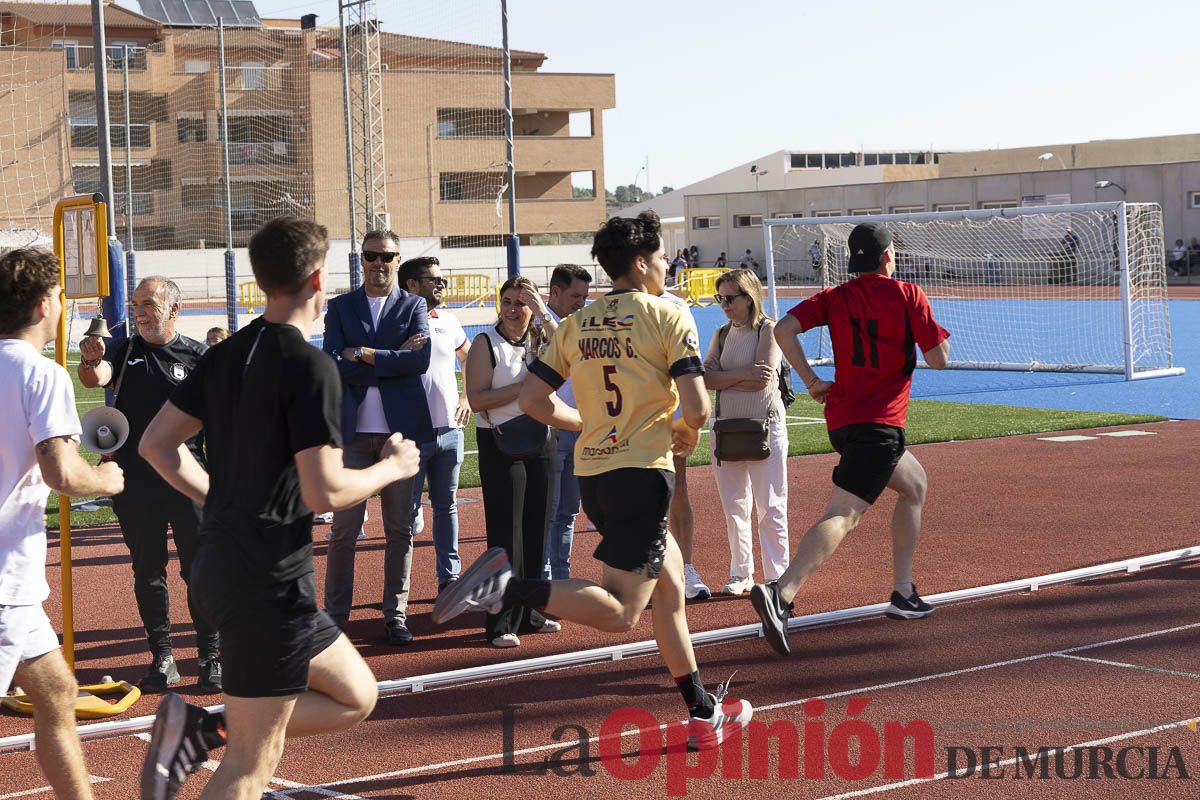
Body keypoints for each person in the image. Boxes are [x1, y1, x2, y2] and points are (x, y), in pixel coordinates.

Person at [436, 211, 753, 749]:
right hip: (643, 476)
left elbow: (534, 402)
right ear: (639, 263)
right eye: (659, 260)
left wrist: (586, 424)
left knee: (670, 590)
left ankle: (702, 712)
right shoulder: (667, 316)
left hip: (595, 472)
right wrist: (683, 428)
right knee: (624, 611)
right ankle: (504, 586)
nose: (665, 268)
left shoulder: (575, 325)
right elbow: (698, 407)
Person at [138, 217, 420, 800]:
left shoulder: (225, 355)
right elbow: (324, 492)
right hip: (265, 582)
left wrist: (219, 498)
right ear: (318, 279)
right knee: (249, 764)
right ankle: (218, 732)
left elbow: (155, 444)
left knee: (355, 695)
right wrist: (394, 467)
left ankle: (202, 725)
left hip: (231, 568)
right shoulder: (308, 366)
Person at [750, 222, 950, 657]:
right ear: (887, 256)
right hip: (879, 424)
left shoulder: (836, 297)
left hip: (843, 419)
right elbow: (938, 361)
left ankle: (903, 591)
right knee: (843, 515)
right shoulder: (907, 294)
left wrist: (810, 380)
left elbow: (782, 329)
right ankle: (781, 592)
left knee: (914, 485)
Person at [1, 247, 124, 800]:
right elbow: (62, 472)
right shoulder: (41, 374)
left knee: (56, 691)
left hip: (17, 586)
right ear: (46, 303)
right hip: (4, 577)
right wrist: (107, 479)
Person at [78, 277, 220, 693]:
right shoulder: (121, 350)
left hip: (189, 481)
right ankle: (163, 657)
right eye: (136, 303)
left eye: (149, 303)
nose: (139, 310)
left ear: (174, 309)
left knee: (200, 572)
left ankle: (210, 656)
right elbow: (97, 376)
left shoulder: (198, 357)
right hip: (135, 484)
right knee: (148, 573)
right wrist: (89, 361)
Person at [321, 230, 433, 645]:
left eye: (386, 256)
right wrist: (390, 356)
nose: (378, 262)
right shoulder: (340, 307)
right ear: (361, 259)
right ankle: (334, 617)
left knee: (399, 530)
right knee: (344, 532)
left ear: (398, 259)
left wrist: (363, 352)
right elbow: (333, 362)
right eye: (371, 255)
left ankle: (395, 615)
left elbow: (419, 360)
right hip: (350, 437)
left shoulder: (414, 304)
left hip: (399, 440)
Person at [463, 276, 561, 647]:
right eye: (506, 301)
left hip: (541, 439)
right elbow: (477, 399)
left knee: (537, 531)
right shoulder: (485, 343)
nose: (512, 309)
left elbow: (571, 346)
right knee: (506, 536)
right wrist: (527, 388)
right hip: (500, 443)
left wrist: (541, 309)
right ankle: (500, 622)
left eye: (521, 302)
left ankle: (530, 614)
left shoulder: (539, 337)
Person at [704, 269, 789, 596]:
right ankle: (740, 574)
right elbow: (706, 379)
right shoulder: (721, 334)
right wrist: (739, 375)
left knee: (771, 506)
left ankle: (778, 577)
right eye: (720, 298)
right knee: (734, 508)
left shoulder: (770, 330)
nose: (724, 305)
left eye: (730, 298)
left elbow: (762, 379)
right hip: (725, 430)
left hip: (765, 428)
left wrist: (724, 376)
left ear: (749, 297)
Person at [397, 256, 469, 593]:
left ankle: (449, 578)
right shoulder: (395, 321)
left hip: (450, 431)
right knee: (405, 516)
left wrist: (468, 397)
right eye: (434, 280)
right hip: (410, 436)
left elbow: (469, 358)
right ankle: (401, 588)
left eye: (442, 280)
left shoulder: (449, 320)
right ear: (412, 284)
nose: (441, 285)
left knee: (447, 506)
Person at [656, 286, 710, 601]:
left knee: (677, 489)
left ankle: (686, 568)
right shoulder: (614, 303)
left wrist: (691, 419)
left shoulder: (676, 305)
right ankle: (644, 571)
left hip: (671, 416)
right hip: (630, 421)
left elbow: (691, 365)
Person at [542, 264, 593, 580]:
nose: (581, 302)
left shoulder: (583, 324)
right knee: (548, 511)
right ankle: (543, 574)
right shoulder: (535, 323)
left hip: (580, 428)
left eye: (586, 296)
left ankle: (561, 575)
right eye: (576, 295)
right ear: (555, 292)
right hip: (547, 430)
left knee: (568, 512)